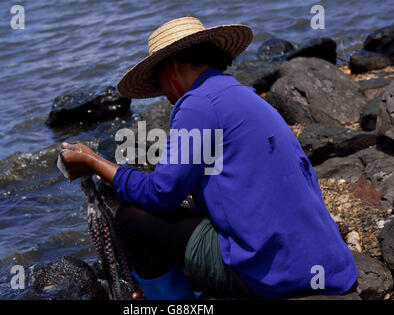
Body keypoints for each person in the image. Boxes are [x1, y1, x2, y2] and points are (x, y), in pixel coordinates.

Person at [60, 16, 358, 299]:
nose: (164, 94)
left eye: (158, 82)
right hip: (324, 259)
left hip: (276, 271)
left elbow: (161, 193)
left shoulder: (197, 105)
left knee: (133, 218)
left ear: (171, 68)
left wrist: (94, 162)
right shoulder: (243, 96)